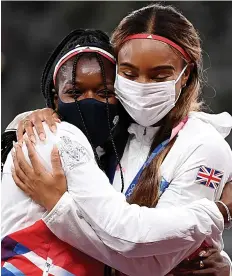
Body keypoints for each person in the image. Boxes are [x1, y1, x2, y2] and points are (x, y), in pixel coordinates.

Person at [3, 3, 232, 275]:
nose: (143, 87)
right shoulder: (114, 135)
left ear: (186, 76)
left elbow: (145, 260)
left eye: (160, 75)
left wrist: (59, 206)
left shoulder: (204, 145)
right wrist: (29, 119)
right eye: (129, 73)